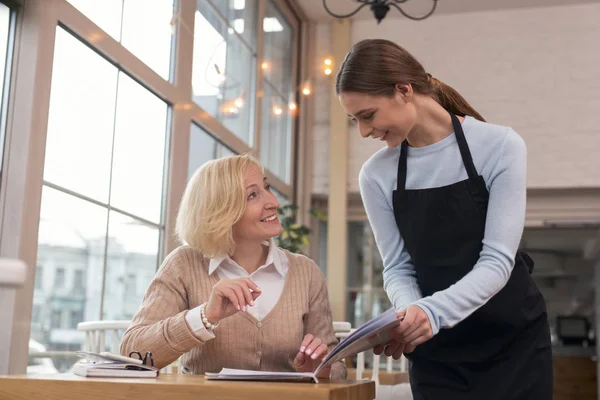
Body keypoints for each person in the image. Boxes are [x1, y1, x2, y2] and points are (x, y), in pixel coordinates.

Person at [335, 39, 552, 399]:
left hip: (513, 342)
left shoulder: (499, 147)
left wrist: (429, 313)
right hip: (436, 350)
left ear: (404, 91)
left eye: (367, 115)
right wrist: (409, 316)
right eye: (354, 120)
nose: (363, 131)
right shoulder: (376, 175)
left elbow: (497, 260)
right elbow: (398, 268)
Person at [121, 154, 345, 379]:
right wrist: (204, 316)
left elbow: (337, 368)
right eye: (253, 195)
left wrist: (323, 369)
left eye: (266, 187)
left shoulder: (305, 271)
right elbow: (134, 354)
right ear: (220, 211)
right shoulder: (183, 264)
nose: (274, 202)